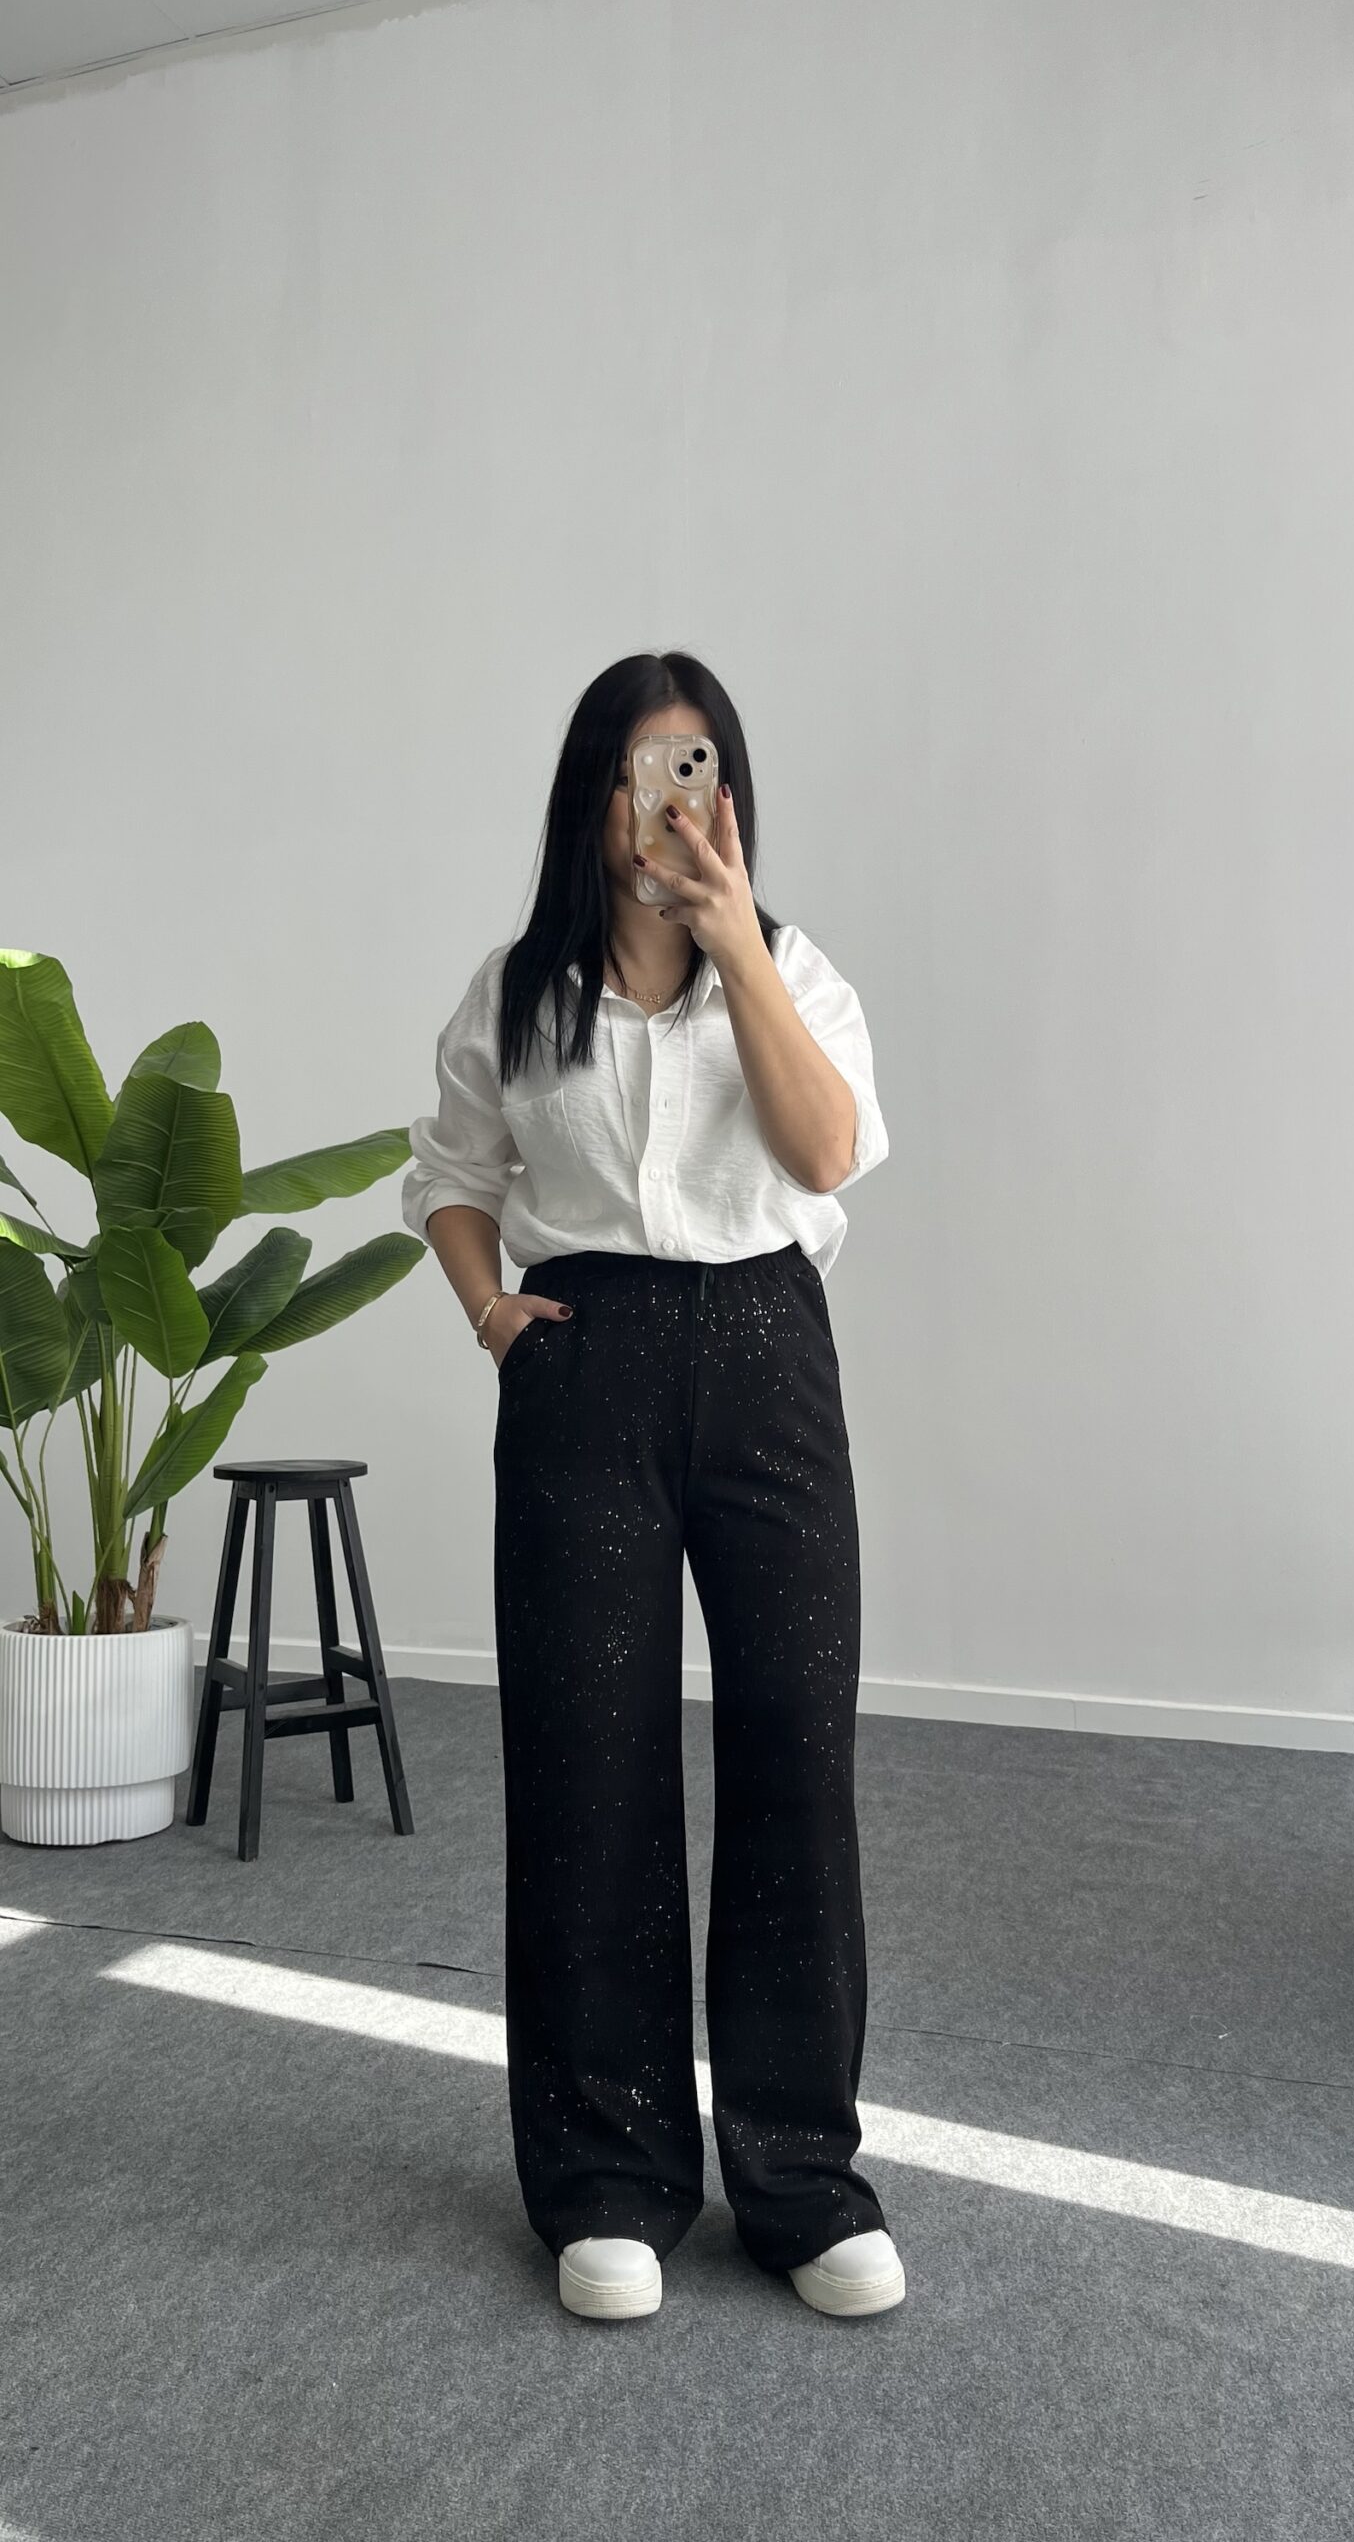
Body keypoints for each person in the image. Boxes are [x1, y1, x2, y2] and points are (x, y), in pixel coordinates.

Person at [401, 650, 904, 2323]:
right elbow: (450, 1175)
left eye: (696, 767)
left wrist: (735, 940)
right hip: (584, 1366)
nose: (666, 801)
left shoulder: (796, 970)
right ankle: (607, 2175)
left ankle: (801, 2179)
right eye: (640, 770)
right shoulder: (516, 995)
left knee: (794, 1753)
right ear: (593, 798)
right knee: (586, 1766)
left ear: (727, 794)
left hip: (768, 1355)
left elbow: (824, 1153)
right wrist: (492, 1314)